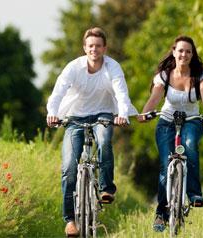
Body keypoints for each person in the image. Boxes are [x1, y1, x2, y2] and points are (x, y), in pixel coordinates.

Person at [46, 27, 137, 237]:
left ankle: (106, 188)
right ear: (84, 48)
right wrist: (52, 113)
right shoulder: (73, 68)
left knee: (104, 141)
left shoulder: (112, 67)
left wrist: (122, 114)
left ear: (104, 48)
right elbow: (58, 92)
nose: (94, 49)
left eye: (98, 46)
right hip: (74, 117)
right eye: (90, 46)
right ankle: (70, 220)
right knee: (69, 166)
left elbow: (121, 93)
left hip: (103, 114)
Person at [137, 35, 203, 232]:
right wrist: (144, 112)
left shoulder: (199, 73)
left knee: (190, 146)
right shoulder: (165, 75)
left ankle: (194, 194)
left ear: (192, 54)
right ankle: (161, 214)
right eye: (181, 50)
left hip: (191, 121)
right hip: (166, 122)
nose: (184, 54)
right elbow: (155, 96)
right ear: (174, 52)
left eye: (188, 51)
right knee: (166, 165)